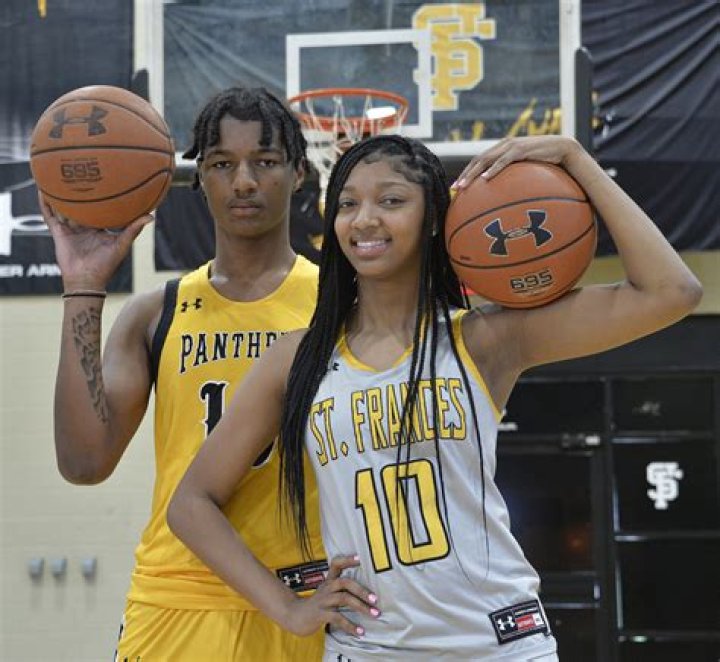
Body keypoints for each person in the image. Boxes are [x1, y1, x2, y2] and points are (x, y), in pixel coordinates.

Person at [167, 134, 702, 660]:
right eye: (348, 204)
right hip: (369, 649)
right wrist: (289, 609)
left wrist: (576, 158)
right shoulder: (296, 358)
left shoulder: (484, 339)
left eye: (391, 201)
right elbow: (191, 504)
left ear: (432, 221)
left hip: (496, 645)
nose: (364, 219)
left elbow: (672, 292)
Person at [41, 87, 328, 661]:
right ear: (200, 178)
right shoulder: (157, 312)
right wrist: (84, 286)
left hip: (302, 600)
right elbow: (83, 464)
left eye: (265, 161)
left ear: (298, 173)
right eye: (221, 164)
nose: (243, 182)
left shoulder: (339, 306)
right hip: (175, 600)